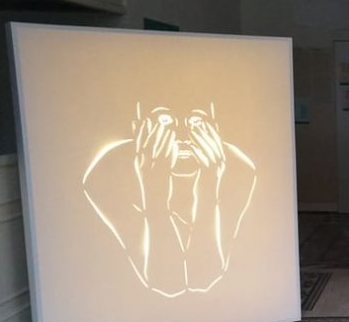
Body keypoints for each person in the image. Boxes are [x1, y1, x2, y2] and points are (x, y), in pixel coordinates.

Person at [82, 103, 257, 297]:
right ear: (139, 129)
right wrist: (153, 189)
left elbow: (205, 277)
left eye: (196, 122)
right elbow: (166, 282)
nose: (182, 136)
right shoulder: (106, 174)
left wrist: (208, 183)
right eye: (165, 121)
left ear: (214, 129)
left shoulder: (238, 168)